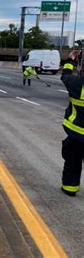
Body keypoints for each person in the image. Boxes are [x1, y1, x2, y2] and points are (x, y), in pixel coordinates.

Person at [60, 50, 84, 197]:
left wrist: (70, 60)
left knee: (73, 162)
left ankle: (70, 188)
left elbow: (65, 76)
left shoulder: (76, 83)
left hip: (76, 134)